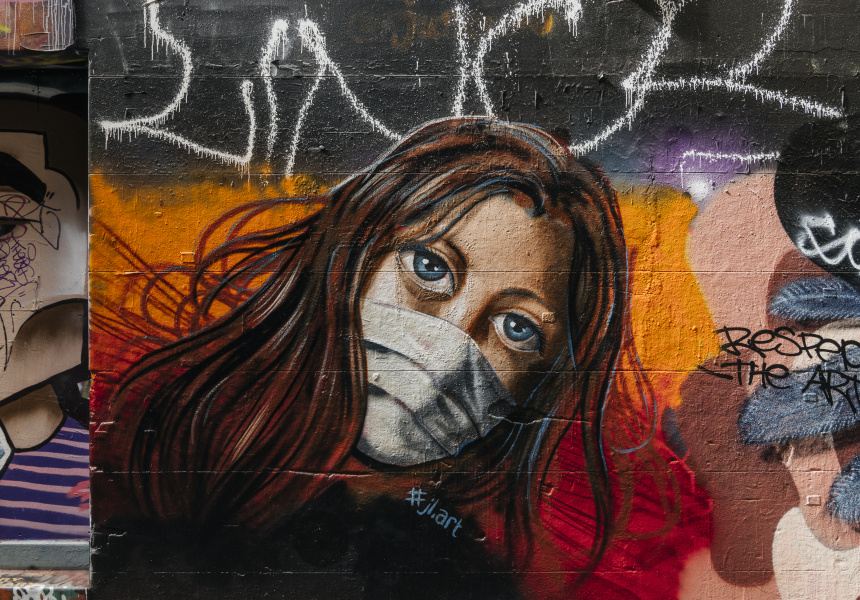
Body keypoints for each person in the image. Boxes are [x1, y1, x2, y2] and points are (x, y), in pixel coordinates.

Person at [94, 118, 704, 598]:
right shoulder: (145, 460)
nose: (446, 353)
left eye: (516, 328)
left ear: (541, 383)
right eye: (429, 268)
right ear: (353, 260)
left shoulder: (468, 578)